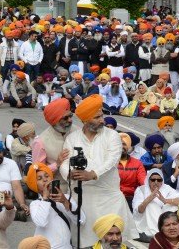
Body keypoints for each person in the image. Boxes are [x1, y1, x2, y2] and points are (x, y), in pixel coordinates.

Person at [60, 94, 137, 246]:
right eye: (97, 117)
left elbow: (112, 160)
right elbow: (65, 162)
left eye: (102, 116)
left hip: (109, 197)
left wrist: (92, 174)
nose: (102, 120)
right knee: (85, 242)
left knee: (113, 242)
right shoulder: (72, 138)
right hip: (83, 198)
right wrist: (69, 173)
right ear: (85, 120)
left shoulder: (112, 136)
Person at [27, 163, 81, 249]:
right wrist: (45, 198)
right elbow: (41, 222)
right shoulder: (35, 204)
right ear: (35, 184)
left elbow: (81, 220)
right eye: (39, 178)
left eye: (46, 176)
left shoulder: (66, 197)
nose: (45, 180)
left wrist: (65, 202)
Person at [132, 169, 179, 242]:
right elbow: (138, 210)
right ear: (149, 180)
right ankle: (158, 234)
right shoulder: (141, 190)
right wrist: (149, 198)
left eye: (159, 180)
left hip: (163, 218)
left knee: (173, 206)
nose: (156, 182)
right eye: (153, 180)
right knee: (151, 205)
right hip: (145, 221)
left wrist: (165, 200)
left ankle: (169, 232)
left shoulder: (166, 188)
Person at [31, 98, 73, 181]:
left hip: (81, 187)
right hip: (56, 189)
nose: (70, 120)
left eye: (70, 116)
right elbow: (36, 171)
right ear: (54, 121)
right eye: (65, 118)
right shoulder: (40, 142)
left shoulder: (78, 132)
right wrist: (56, 164)